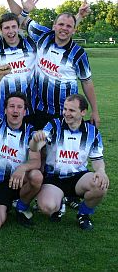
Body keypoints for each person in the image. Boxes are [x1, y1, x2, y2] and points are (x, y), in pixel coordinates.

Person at [0, 0, 99, 129]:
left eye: (69, 26)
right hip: (40, 109)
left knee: (61, 150)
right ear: (54, 26)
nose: (64, 29)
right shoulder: (42, 36)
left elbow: (87, 82)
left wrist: (95, 111)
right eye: (61, 25)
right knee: (39, 148)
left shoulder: (78, 53)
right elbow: (20, 17)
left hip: (66, 112)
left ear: (74, 30)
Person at [30, 94, 108, 230]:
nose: (66, 113)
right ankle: (59, 203)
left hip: (78, 178)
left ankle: (83, 214)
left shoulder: (92, 132)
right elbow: (35, 148)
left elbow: (97, 159)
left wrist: (101, 171)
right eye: (65, 109)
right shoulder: (54, 124)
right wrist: (36, 141)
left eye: (71, 110)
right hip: (54, 177)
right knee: (47, 207)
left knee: (100, 185)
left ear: (83, 112)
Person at [0, 65, 42, 229]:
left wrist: (22, 168)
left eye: (19, 107)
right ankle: (4, 205)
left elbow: (36, 161)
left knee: (36, 176)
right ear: (5, 109)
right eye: (12, 106)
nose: (15, 110)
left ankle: (21, 206)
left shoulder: (30, 132)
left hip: (19, 183)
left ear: (25, 111)